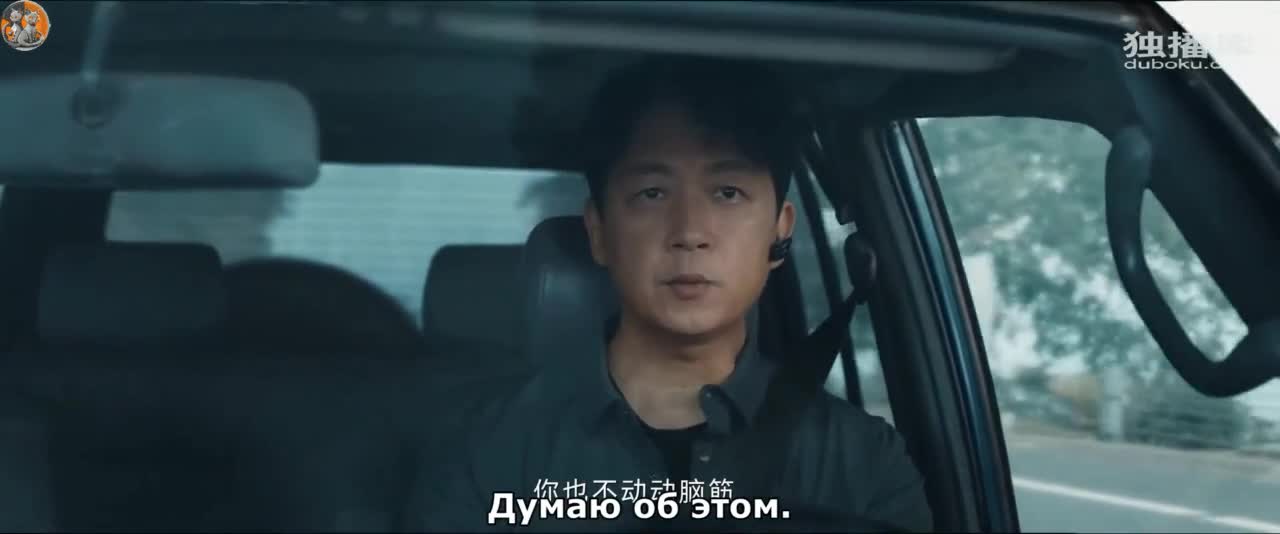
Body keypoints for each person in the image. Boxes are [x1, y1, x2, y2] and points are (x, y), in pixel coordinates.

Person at [407, 56, 932, 532]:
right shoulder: (489, 453)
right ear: (599, 231)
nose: (690, 231)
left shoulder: (863, 464)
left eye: (728, 193)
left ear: (780, 231)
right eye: (652, 193)